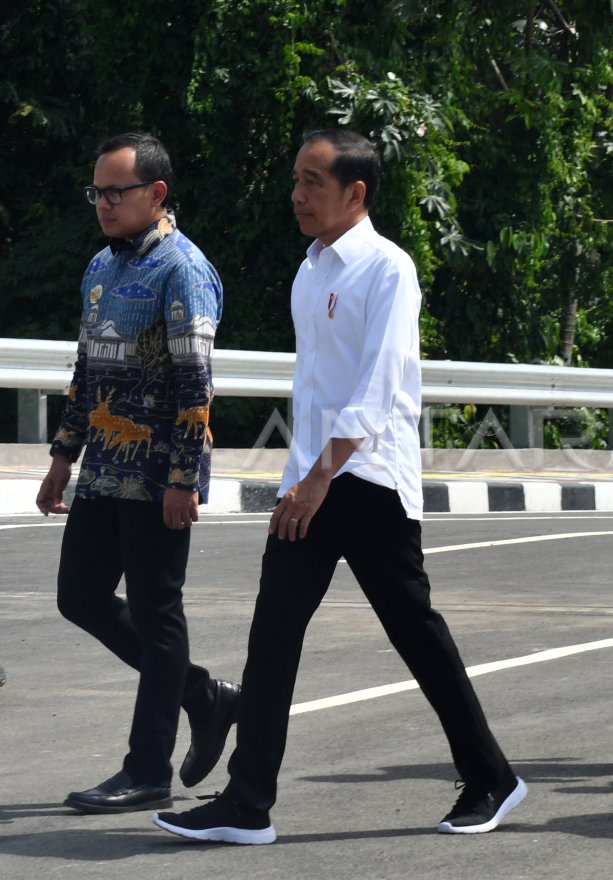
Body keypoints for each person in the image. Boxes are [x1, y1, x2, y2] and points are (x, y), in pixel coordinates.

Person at [153, 129, 525, 845]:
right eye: (296, 178)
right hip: (314, 481)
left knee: (416, 635)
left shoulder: (387, 269)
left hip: (367, 481)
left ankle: (493, 777)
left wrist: (320, 476)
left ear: (355, 192)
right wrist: (301, 477)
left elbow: (378, 389)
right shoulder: (310, 269)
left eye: (313, 180)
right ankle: (248, 801)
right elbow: (314, 390)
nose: (298, 193)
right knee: (273, 637)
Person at [36, 132, 239, 814]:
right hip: (101, 471)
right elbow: (87, 371)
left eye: (116, 192)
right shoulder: (101, 267)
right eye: (97, 191)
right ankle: (205, 697)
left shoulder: (183, 270)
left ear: (156, 194)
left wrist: (186, 476)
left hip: (157, 476)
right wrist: (63, 458)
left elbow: (195, 382)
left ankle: (146, 767)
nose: (103, 203)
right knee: (78, 597)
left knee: (157, 613)